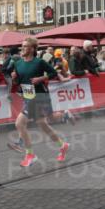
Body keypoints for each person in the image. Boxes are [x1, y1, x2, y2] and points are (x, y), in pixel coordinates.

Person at [10, 37, 69, 168]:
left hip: (40, 96)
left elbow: (53, 73)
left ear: (32, 49)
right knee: (43, 124)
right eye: (22, 46)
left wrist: (40, 78)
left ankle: (30, 155)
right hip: (28, 96)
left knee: (20, 123)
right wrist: (14, 79)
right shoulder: (18, 64)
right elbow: (19, 82)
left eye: (25, 46)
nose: (22, 48)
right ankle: (62, 145)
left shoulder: (39, 62)